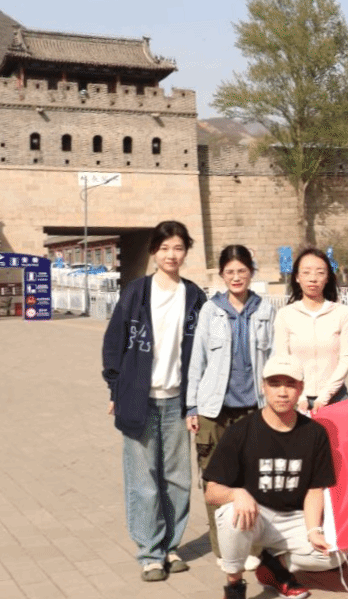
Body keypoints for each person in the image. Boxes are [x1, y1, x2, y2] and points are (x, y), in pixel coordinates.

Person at [102, 220, 206, 581]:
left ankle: (171, 546)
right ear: (153, 252)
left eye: (178, 248)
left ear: (186, 251)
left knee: (177, 478)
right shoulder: (136, 292)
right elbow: (114, 342)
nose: (171, 255)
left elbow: (202, 351)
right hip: (139, 399)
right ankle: (149, 552)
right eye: (164, 248)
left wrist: (196, 402)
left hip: (178, 400)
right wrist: (115, 389)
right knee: (143, 479)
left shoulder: (194, 296)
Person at [204, 355, 342, 599]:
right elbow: (211, 492)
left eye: (290, 385)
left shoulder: (314, 433)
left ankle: (274, 566)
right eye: (275, 384)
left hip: (295, 518)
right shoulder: (241, 431)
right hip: (255, 516)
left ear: (301, 388)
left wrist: (313, 530)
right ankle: (234, 583)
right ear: (263, 386)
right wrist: (236, 493)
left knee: (337, 551)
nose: (282, 392)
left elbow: (315, 489)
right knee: (229, 513)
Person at [186, 245, 275, 569]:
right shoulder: (211, 310)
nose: (236, 277)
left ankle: (252, 547)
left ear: (251, 272)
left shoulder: (265, 309)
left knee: (254, 477)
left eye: (242, 271)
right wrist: (191, 406)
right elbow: (197, 360)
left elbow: (274, 357)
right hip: (215, 410)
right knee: (216, 480)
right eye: (230, 272)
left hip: (254, 408)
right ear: (222, 275)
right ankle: (224, 549)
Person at [273, 248, 348, 413]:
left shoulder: (342, 313)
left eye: (320, 273)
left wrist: (325, 395)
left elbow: (346, 358)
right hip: (296, 400)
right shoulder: (285, 315)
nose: (313, 278)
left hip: (336, 398)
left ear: (327, 277)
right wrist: (301, 397)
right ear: (297, 277)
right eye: (306, 272)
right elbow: (283, 358)